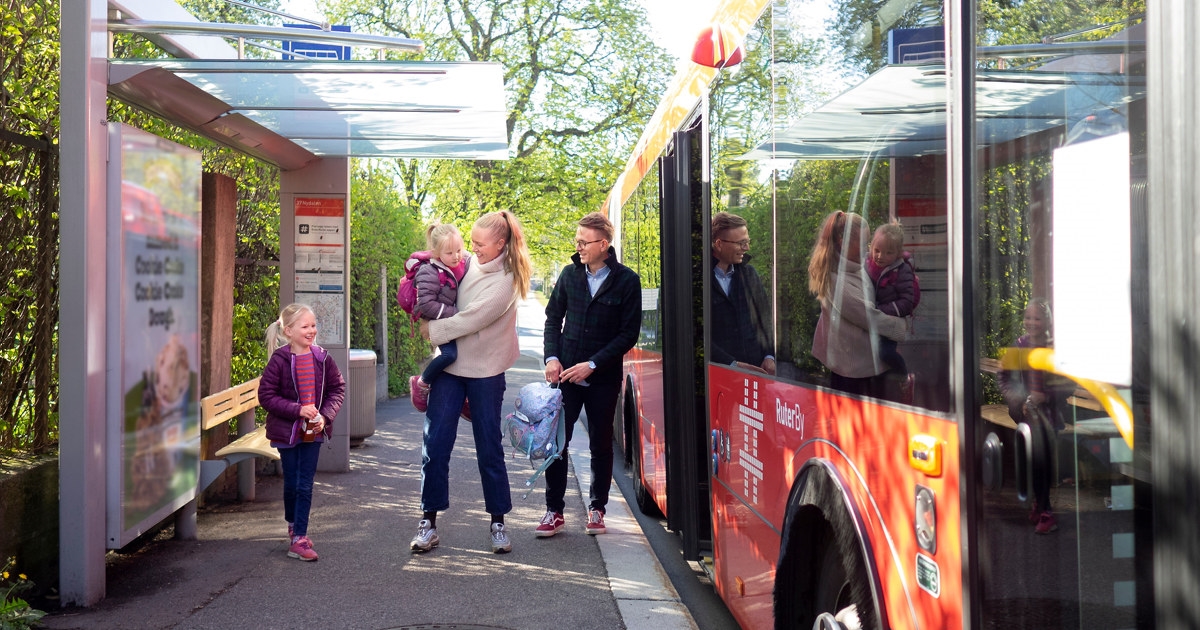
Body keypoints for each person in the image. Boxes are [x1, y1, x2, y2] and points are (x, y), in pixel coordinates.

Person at [413, 210, 533, 554]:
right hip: (450, 369)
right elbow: (436, 276)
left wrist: (431, 330)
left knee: (488, 448)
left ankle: (498, 523)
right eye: (472, 242)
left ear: (501, 244)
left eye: (480, 244)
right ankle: (428, 522)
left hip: (486, 372)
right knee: (434, 446)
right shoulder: (465, 264)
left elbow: (473, 319)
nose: (473, 249)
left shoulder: (508, 280)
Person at [538, 212, 642, 537]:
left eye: (585, 241)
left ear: (604, 244)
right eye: (577, 240)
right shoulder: (569, 276)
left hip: (603, 378)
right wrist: (552, 358)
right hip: (565, 377)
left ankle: (597, 510)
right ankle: (554, 511)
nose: (579, 246)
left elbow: (628, 334)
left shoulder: (627, 281)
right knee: (556, 443)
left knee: (600, 444)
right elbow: (553, 320)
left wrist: (593, 364)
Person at [258, 303, 346, 562]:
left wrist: (324, 416)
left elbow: (337, 390)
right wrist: (298, 410)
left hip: (314, 432)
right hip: (286, 432)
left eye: (313, 325)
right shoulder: (280, 359)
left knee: (305, 484)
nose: (312, 330)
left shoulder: (322, 358)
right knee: (292, 483)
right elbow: (266, 396)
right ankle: (293, 523)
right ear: (288, 330)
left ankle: (299, 538)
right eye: (305, 326)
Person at [807, 211, 908, 398]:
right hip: (855, 373)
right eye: (863, 243)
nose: (868, 248)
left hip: (866, 366)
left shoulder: (858, 264)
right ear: (841, 241)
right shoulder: (836, 281)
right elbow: (868, 317)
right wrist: (902, 327)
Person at [997, 298, 1072, 534]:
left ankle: (1046, 511)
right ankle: (1040, 506)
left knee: (1043, 465)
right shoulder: (1019, 345)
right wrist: (1018, 399)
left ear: (1047, 320)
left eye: (1037, 318)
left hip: (1049, 418)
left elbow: (1068, 383)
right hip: (1026, 417)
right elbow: (1004, 377)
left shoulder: (1055, 348)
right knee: (1034, 464)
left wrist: (1046, 396)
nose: (1031, 322)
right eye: (1028, 318)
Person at [408, 222, 469, 413]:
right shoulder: (429, 271)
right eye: (450, 253)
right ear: (436, 253)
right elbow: (425, 303)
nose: (456, 256)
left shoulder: (460, 264)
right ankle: (422, 382)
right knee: (449, 355)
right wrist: (454, 313)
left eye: (459, 250)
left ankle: (464, 397)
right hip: (436, 321)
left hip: (448, 321)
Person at [710, 212, 776, 375]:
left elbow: (765, 318)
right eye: (741, 243)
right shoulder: (698, 280)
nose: (747, 248)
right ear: (719, 244)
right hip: (719, 375)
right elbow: (695, 335)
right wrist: (731, 364)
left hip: (757, 371)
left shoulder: (749, 274)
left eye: (747, 242)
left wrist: (769, 356)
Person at [865, 221, 917, 398]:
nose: (880, 256)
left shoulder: (901, 270)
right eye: (877, 250)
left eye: (888, 252)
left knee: (884, 353)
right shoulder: (867, 265)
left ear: (897, 254)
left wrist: (882, 310)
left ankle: (905, 377)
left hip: (889, 322)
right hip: (874, 321)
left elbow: (907, 302)